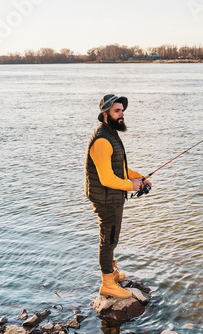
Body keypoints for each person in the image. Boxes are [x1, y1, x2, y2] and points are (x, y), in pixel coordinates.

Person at [84, 94, 151, 298]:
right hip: (105, 197)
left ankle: (112, 273)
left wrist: (139, 177)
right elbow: (106, 178)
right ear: (105, 114)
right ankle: (107, 283)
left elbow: (119, 168)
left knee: (112, 237)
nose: (122, 114)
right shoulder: (102, 139)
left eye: (122, 110)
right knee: (108, 239)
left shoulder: (111, 133)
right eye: (117, 111)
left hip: (112, 196)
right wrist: (132, 185)